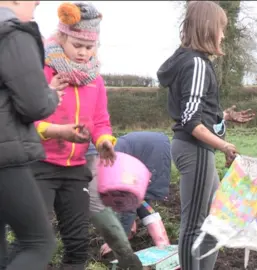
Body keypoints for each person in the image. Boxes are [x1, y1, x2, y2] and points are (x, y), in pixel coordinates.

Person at [5, 2, 123, 270]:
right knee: (31, 240)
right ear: (62, 38)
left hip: (76, 170)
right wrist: (59, 132)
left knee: (78, 243)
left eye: (89, 47)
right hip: (40, 165)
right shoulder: (43, 70)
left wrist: (104, 141)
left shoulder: (96, 80)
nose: (83, 53)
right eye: (77, 45)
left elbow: (101, 121)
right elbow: (25, 118)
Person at [157, 2, 255, 269]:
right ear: (209, 28)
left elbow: (195, 111)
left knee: (214, 220)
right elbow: (191, 121)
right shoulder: (197, 63)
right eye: (221, 29)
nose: (223, 35)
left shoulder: (187, 60)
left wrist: (222, 117)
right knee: (194, 225)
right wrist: (224, 145)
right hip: (195, 148)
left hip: (196, 147)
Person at [0, 1, 61, 269]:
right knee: (37, 243)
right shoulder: (12, 33)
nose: (37, 3)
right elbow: (33, 104)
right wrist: (52, 95)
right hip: (5, 155)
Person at [86, 131, 173, 258]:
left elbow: (128, 200)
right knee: (139, 199)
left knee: (139, 198)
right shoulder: (100, 160)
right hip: (150, 146)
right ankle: (163, 244)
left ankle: (163, 246)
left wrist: (117, 240)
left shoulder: (109, 161)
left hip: (154, 151)